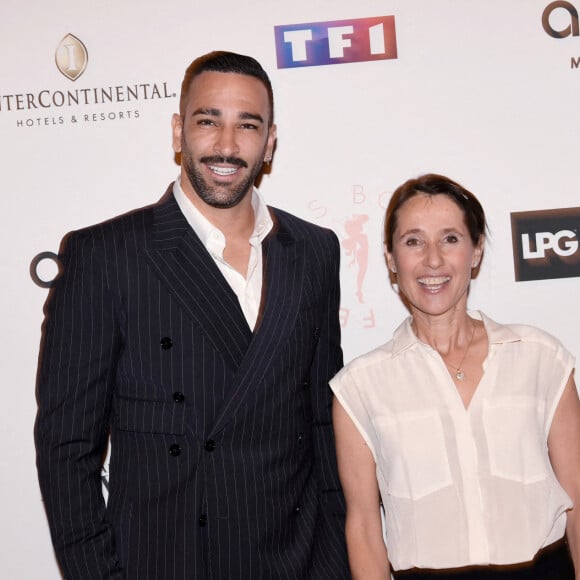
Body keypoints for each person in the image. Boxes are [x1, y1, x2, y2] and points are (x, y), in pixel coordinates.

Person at [35, 50, 350, 580]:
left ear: (270, 141)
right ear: (179, 132)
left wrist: (333, 562)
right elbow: (67, 451)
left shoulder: (314, 251)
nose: (227, 146)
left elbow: (323, 422)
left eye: (247, 126)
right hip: (164, 562)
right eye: (209, 122)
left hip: (295, 562)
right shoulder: (107, 255)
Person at [330, 173, 580, 579]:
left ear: (476, 251)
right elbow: (364, 529)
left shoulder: (541, 359)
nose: (433, 260)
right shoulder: (359, 388)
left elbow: (578, 503)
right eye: (413, 241)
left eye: (450, 239)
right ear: (391, 259)